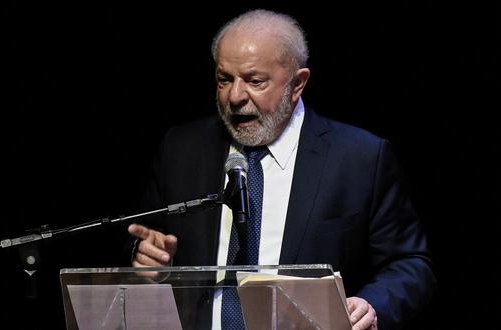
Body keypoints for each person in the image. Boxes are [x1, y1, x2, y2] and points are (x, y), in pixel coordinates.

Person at [128, 9, 435, 330]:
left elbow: (410, 264)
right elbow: (146, 240)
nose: (235, 97)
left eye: (254, 81)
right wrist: (145, 256)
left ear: (297, 83)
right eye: (224, 79)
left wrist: (372, 305)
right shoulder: (181, 148)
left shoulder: (360, 158)